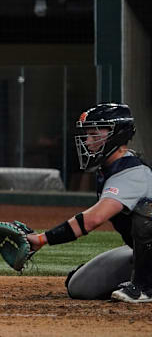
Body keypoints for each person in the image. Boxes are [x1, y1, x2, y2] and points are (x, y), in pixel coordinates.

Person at [24, 103, 152, 303]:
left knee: (147, 216)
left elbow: (94, 219)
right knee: (79, 286)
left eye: (95, 135)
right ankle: (141, 277)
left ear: (116, 135)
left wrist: (42, 239)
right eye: (87, 135)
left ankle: (145, 288)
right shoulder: (111, 170)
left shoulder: (133, 173)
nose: (87, 141)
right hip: (140, 252)